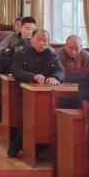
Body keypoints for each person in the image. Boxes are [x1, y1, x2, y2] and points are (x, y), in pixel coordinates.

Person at [8, 29, 64, 157]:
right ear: (32, 40)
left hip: (47, 94)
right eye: (39, 40)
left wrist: (55, 77)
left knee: (46, 119)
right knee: (29, 120)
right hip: (25, 93)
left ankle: (41, 148)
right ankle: (17, 147)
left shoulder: (52, 55)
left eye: (45, 40)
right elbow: (16, 71)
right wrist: (33, 77)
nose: (42, 43)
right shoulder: (22, 53)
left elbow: (60, 71)